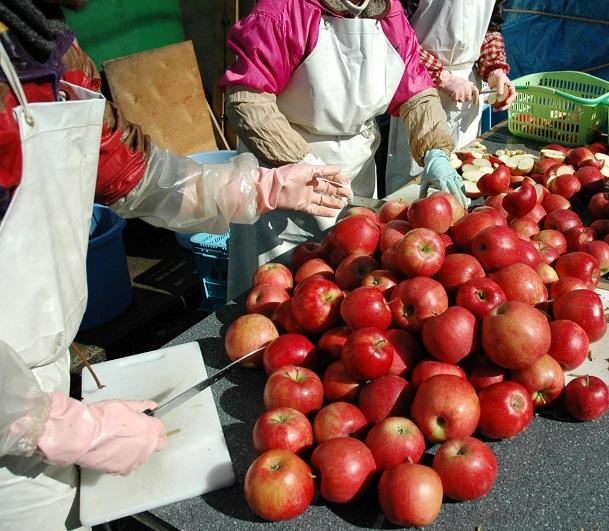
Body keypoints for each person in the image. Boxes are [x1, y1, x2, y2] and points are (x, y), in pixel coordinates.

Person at [0, 1, 350, 528]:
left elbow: (134, 172)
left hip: (29, 384)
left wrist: (261, 186)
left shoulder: (50, 48)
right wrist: (54, 425)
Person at [219, 0, 469, 300]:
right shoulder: (282, 12)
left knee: (351, 291)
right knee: (279, 300)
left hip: (355, 172)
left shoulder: (388, 12)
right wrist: (302, 162)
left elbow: (414, 88)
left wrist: (434, 150)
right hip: (283, 181)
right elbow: (249, 100)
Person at [384, 0, 517, 195]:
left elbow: (490, 26)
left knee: (465, 170)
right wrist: (442, 76)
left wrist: (495, 69)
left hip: (469, 89)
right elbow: (396, 32)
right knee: (413, 187)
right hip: (417, 87)